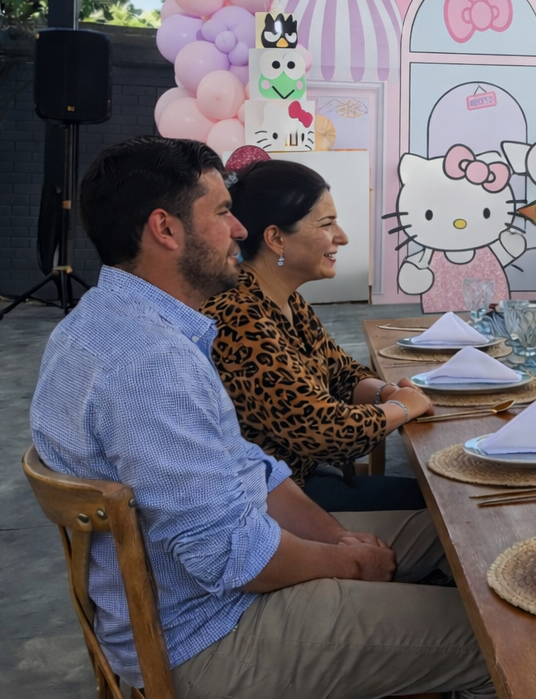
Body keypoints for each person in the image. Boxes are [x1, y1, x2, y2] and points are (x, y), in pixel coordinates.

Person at [30, 136, 494, 699]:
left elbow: (251, 467)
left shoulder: (112, 323)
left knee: (465, 532)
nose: (240, 229)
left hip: (215, 590)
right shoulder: (150, 363)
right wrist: (346, 565)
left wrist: (338, 539)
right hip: (210, 635)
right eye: (223, 212)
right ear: (166, 229)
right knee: (499, 635)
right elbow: (231, 557)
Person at [205, 158, 431, 512]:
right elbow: (323, 431)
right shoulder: (239, 317)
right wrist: (403, 407)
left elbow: (341, 372)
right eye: (327, 224)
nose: (342, 237)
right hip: (280, 504)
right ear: (276, 238)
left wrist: (387, 392)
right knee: (445, 515)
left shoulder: (283, 297)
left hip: (311, 479)